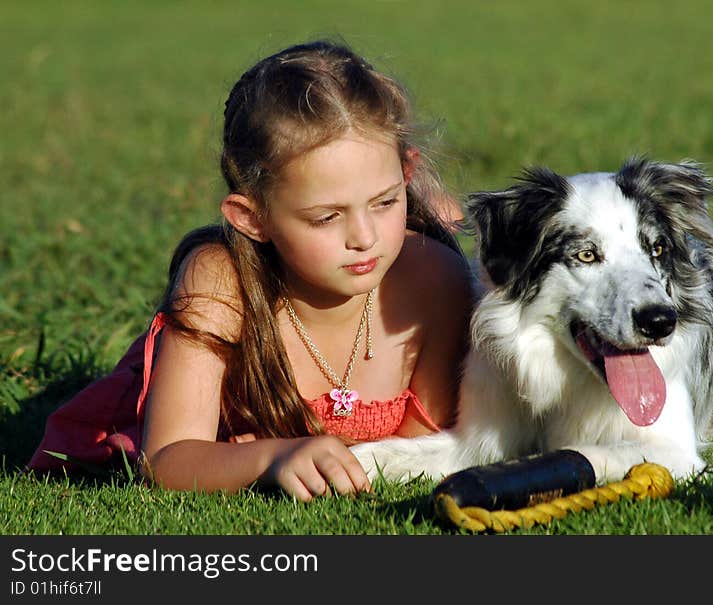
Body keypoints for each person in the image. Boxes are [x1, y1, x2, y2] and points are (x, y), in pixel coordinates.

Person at [27, 40, 474, 502]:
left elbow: (421, 449)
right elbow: (167, 459)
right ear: (252, 217)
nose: (364, 236)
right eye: (326, 217)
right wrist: (272, 458)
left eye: (384, 202)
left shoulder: (433, 279)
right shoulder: (221, 282)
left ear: (407, 172)